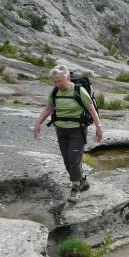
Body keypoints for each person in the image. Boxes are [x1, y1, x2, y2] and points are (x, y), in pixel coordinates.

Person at [33, 66, 103, 204]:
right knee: (67, 161)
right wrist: (38, 123)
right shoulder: (55, 92)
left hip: (77, 130)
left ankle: (75, 189)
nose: (58, 84)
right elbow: (48, 108)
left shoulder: (79, 90)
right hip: (61, 129)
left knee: (73, 159)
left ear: (67, 78)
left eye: (60, 81)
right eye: (55, 82)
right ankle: (82, 180)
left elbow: (91, 108)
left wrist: (98, 127)